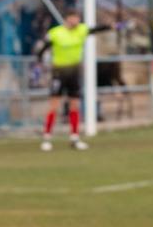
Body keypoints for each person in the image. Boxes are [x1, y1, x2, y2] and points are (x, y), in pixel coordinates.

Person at [35, 9, 111, 152]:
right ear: (66, 19)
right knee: (54, 106)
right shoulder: (55, 33)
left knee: (74, 105)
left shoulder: (81, 30)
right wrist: (39, 64)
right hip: (59, 72)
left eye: (77, 18)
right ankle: (47, 137)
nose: (76, 21)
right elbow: (42, 49)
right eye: (73, 18)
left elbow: (96, 29)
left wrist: (112, 26)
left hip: (74, 72)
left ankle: (74, 137)